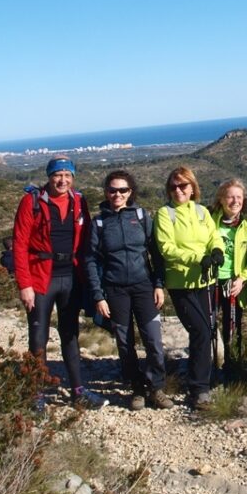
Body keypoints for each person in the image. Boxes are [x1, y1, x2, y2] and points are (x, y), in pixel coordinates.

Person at [12, 156, 107, 410]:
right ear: (49, 176)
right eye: (57, 175)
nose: (62, 180)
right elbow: (19, 244)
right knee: (38, 337)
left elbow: (87, 239)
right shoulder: (31, 202)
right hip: (41, 279)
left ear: (73, 177)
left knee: (70, 335)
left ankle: (78, 391)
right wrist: (24, 284)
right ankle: (37, 395)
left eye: (67, 175)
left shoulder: (79, 201)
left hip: (71, 277)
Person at [87, 170, 173, 411]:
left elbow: (155, 253)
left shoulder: (141, 216)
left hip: (143, 286)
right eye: (113, 190)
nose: (118, 194)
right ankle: (136, 389)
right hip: (115, 290)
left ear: (130, 192)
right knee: (125, 343)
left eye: (123, 190)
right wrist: (98, 296)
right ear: (106, 192)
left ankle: (156, 387)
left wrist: (158, 284)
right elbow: (91, 260)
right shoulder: (99, 223)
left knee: (153, 340)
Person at [154, 166, 224, 410]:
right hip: (181, 283)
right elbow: (167, 248)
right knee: (201, 330)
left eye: (183, 185)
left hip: (206, 281)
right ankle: (199, 389)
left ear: (193, 187)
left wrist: (217, 251)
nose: (178, 190)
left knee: (205, 331)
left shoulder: (202, 211)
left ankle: (200, 380)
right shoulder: (165, 214)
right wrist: (198, 258)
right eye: (173, 186)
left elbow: (214, 236)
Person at [210, 178, 247, 377]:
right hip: (210, 280)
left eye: (239, 197)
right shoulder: (210, 220)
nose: (235, 201)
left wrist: (243, 278)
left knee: (232, 327)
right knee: (208, 325)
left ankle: (232, 368)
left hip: (233, 282)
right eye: (230, 197)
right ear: (221, 199)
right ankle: (209, 367)